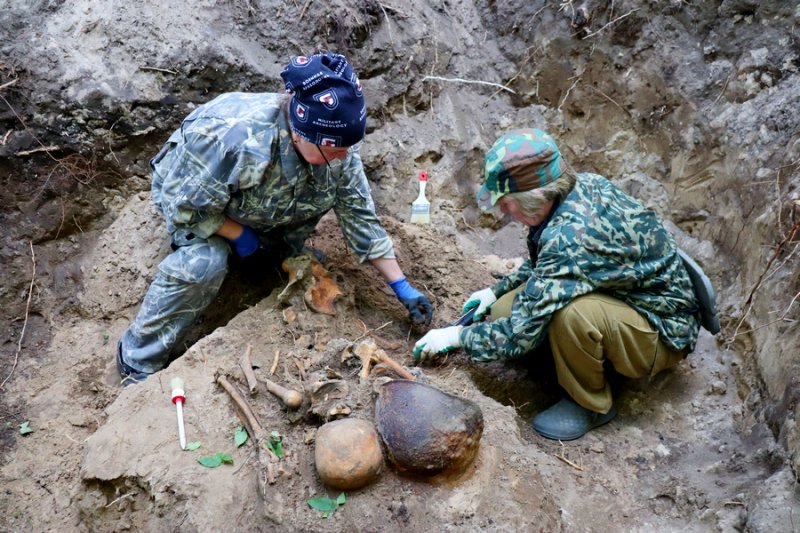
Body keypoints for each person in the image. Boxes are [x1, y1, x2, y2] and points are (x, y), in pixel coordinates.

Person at [116, 53, 433, 385]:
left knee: (320, 196)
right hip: (197, 204)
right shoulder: (233, 138)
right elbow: (183, 207)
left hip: (262, 209)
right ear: (302, 134)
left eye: (347, 148)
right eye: (334, 150)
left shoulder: (336, 147)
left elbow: (360, 216)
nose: (343, 156)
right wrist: (238, 234)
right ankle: (137, 358)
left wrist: (401, 286)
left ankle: (274, 249)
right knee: (204, 264)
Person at [413, 128, 701, 441]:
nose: (501, 210)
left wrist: (457, 336)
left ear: (535, 198)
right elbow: (545, 263)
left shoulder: (570, 236)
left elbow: (519, 335)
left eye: (506, 202)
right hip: (623, 297)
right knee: (504, 308)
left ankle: (590, 404)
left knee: (572, 317)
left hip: (662, 329)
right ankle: (573, 358)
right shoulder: (575, 189)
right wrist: (495, 291)